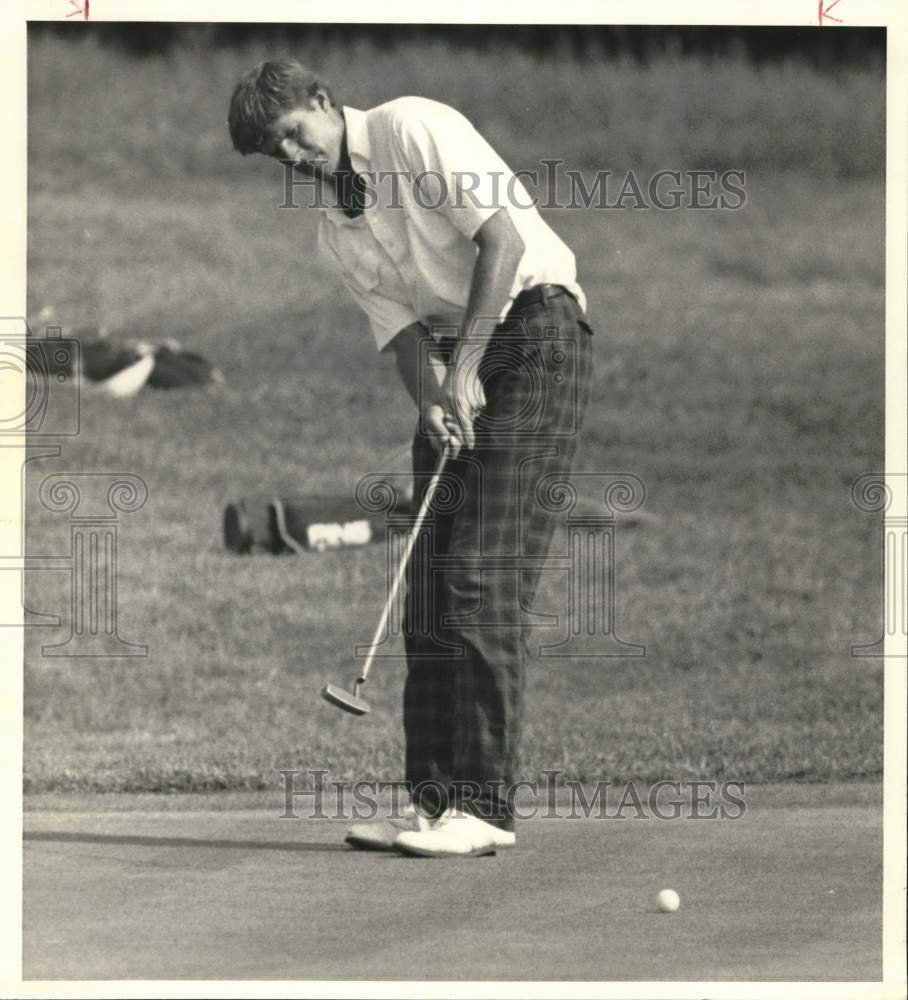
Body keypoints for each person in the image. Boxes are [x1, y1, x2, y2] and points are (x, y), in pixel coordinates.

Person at [229, 59, 593, 857]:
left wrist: (464, 368)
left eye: (292, 133)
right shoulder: (338, 230)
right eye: (273, 152)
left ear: (323, 103)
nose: (291, 156)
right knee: (428, 586)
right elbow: (399, 338)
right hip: (453, 355)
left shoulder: (410, 125)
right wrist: (432, 399)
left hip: (536, 336)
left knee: (482, 574)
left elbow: (502, 240)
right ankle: (433, 805)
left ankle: (484, 807)